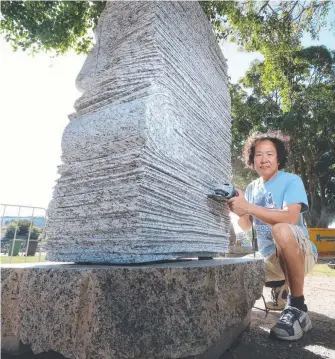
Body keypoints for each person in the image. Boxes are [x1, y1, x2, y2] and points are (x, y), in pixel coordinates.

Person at [228, 131, 318, 341]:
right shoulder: (252, 188)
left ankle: (297, 307)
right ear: (252, 159)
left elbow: (290, 216)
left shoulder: (291, 180)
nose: (264, 159)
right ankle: (278, 288)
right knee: (234, 269)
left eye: (270, 153)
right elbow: (245, 226)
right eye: (258, 154)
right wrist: (236, 209)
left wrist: (249, 206)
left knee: (281, 228)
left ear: (278, 158)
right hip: (269, 259)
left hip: (301, 253)